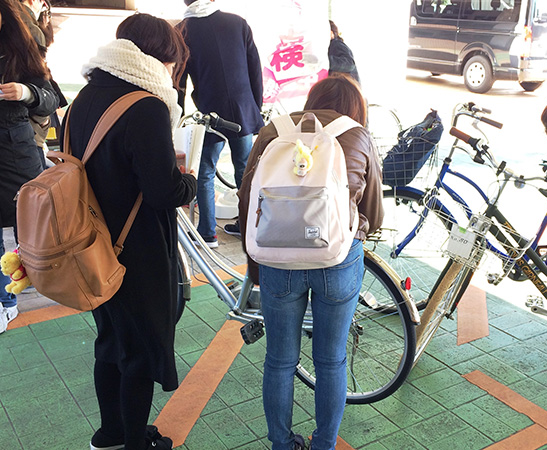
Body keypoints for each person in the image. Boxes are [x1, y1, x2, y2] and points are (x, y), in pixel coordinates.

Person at [66, 13, 196, 450]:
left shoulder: (85, 96)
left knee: (110, 341)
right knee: (139, 349)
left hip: (90, 243)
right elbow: (162, 191)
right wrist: (189, 182)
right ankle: (135, 442)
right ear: (160, 57)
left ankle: (111, 433)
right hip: (135, 249)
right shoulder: (146, 105)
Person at [238, 75, 384, 450]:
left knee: (279, 360)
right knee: (331, 360)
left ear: (312, 100)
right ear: (356, 108)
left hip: (278, 258)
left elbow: (247, 197)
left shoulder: (274, 131)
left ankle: (282, 443)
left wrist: (255, 264)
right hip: (337, 259)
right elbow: (374, 213)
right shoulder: (358, 136)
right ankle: (324, 444)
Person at [176, 0, 264, 247]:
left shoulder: (183, 30)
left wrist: (178, 115)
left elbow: (179, 80)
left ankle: (207, 232)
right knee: (246, 171)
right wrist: (255, 108)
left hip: (211, 113)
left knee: (205, 171)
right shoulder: (237, 23)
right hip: (242, 110)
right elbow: (255, 69)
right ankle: (249, 228)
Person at [0, 0, 59, 334]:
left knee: (29, 225)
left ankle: (30, 282)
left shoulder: (20, 47)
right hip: (18, 146)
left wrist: (25, 92)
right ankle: (5, 301)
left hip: (16, 149)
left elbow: (50, 98)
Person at [19, 0, 68, 169]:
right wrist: (42, 121)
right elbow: (38, 80)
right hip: (27, 130)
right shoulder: (28, 28)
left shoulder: (16, 22)